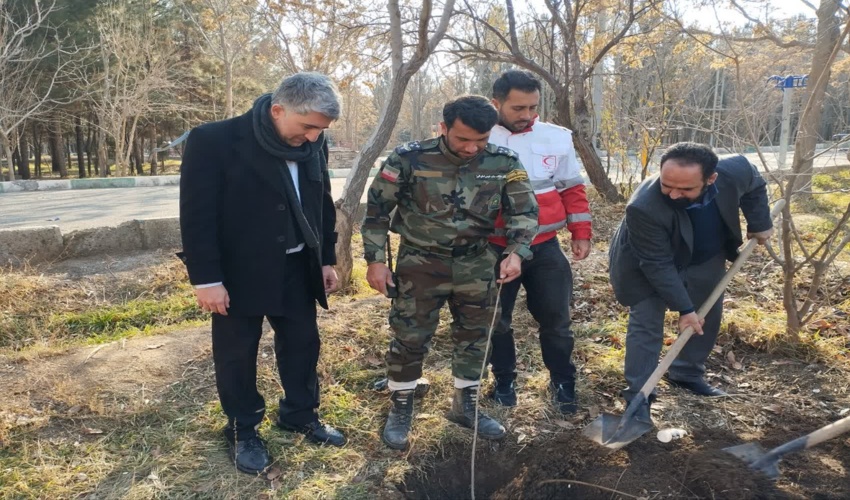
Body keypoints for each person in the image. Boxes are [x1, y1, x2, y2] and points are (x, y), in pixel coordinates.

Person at [178, 72, 346, 475]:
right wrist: (206, 279)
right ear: (277, 109)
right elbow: (197, 216)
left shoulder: (313, 143)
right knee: (237, 354)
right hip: (237, 273)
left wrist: (324, 257)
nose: (312, 138)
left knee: (303, 343)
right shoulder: (214, 140)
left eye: (319, 130)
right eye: (307, 126)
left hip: (296, 265)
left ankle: (299, 413)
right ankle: (243, 429)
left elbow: (321, 202)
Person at [361, 95, 539, 450]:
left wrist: (516, 253)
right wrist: (376, 261)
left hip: (476, 261)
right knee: (410, 335)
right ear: (442, 128)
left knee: (476, 335)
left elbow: (524, 212)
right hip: (420, 263)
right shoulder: (408, 158)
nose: (472, 148)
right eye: (462, 139)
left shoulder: (503, 161)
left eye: (481, 140)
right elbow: (377, 212)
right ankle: (401, 404)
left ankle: (465, 404)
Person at [608, 142, 774, 423]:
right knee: (646, 323)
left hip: (705, 254)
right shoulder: (643, 207)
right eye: (666, 184)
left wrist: (759, 222)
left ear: (711, 178)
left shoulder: (736, 170)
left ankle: (686, 373)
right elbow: (657, 265)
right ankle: (639, 396)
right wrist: (684, 309)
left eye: (685, 189)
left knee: (705, 313)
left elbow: (756, 186)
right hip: (646, 261)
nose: (673, 194)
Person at [486, 70, 592, 414]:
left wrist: (581, 233)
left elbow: (572, 188)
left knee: (556, 319)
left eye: (533, 107)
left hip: (544, 244)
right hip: (491, 245)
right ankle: (504, 381)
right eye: (518, 108)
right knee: (494, 319)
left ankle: (563, 383)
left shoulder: (556, 137)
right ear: (496, 104)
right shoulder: (478, 136)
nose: (527, 116)